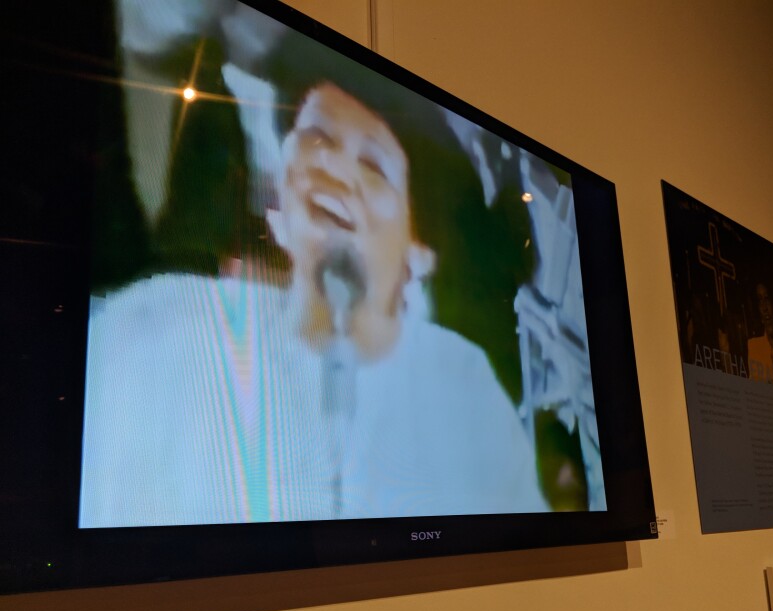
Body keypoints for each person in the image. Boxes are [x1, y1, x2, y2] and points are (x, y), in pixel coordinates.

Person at [79, 82, 547, 527]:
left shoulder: (465, 386)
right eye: (316, 138)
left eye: (375, 166)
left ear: (417, 255)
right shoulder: (155, 331)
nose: (335, 167)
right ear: (278, 213)